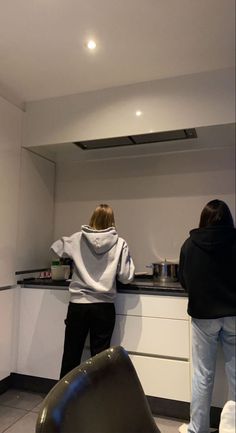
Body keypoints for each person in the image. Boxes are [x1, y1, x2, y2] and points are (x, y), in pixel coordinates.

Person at [51, 203, 135, 378]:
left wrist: (75, 259)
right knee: (99, 359)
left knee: (71, 355)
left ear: (92, 219)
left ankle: (64, 401)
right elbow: (126, 277)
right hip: (104, 307)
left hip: (78, 305)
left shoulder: (76, 238)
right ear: (112, 220)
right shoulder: (120, 243)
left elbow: (56, 248)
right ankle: (97, 400)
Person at [178, 200, 236, 433]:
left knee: (203, 373)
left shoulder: (190, 245)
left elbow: (184, 280)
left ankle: (198, 428)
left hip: (203, 316)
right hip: (235, 314)